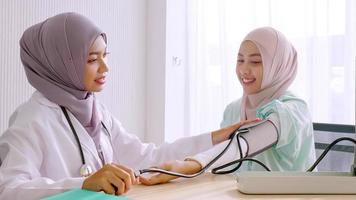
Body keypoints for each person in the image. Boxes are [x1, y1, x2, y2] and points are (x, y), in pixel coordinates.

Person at [0, 12, 258, 199]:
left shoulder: (96, 111)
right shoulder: (32, 119)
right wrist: (84, 183)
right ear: (61, 62)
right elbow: (8, 188)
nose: (105, 67)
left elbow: (148, 157)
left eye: (105, 56)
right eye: (92, 59)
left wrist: (213, 138)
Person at [140, 27, 317, 185]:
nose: (244, 70)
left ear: (278, 65)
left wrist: (187, 166)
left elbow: (247, 143)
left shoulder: (293, 110)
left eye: (255, 62)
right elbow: (222, 162)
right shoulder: (233, 109)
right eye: (240, 60)